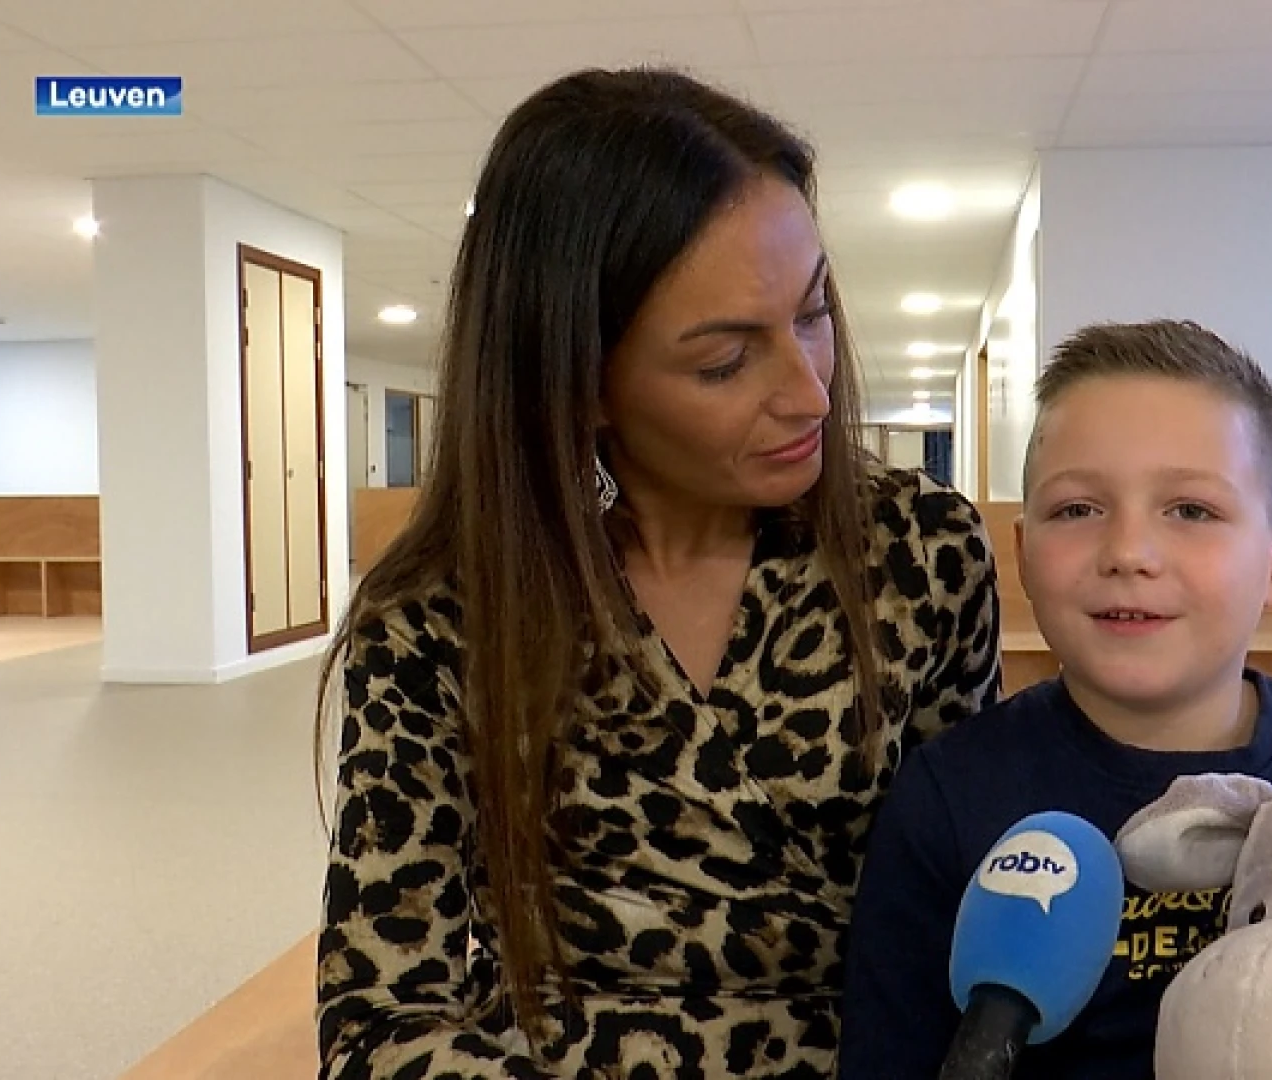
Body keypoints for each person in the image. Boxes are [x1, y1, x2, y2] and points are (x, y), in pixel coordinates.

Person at [312, 67, 1002, 1079]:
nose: (810, 393)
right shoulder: (437, 619)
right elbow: (378, 1025)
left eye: (813, 313)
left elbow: (975, 936)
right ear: (578, 381)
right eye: (725, 361)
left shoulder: (923, 554)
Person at [838, 320, 1272, 1079]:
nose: (1127, 552)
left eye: (1190, 510)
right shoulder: (949, 797)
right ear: (1021, 555)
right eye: (1078, 510)